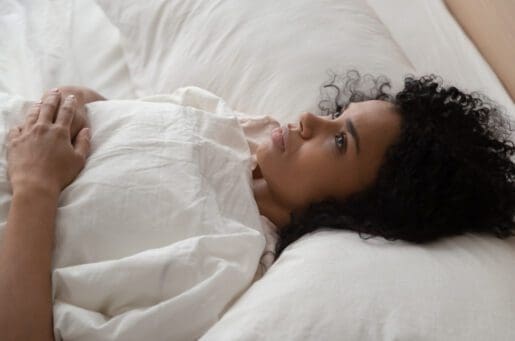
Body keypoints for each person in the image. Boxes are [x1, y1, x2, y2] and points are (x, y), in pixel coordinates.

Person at [1, 70, 514, 339]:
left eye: (339, 142)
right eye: (339, 115)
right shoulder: (233, 129)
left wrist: (36, 186)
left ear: (359, 209)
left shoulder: (221, 262)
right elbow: (117, 120)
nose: (311, 120)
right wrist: (78, 106)